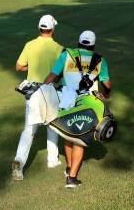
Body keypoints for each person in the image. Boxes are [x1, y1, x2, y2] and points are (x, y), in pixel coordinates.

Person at [44, 30, 112, 188]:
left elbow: (52, 76)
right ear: (93, 45)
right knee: (80, 140)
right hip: (87, 104)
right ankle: (72, 179)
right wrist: (106, 94)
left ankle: (69, 168)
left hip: (67, 101)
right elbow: (107, 84)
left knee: (69, 135)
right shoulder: (100, 60)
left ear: (79, 42)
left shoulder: (66, 55)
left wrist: (42, 90)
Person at [11, 15, 64, 181]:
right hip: (50, 91)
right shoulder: (59, 48)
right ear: (52, 29)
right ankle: (52, 160)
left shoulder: (29, 45)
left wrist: (31, 66)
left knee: (29, 130)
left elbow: (19, 66)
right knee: (52, 126)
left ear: (39, 28)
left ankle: (19, 160)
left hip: (32, 91)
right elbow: (61, 73)